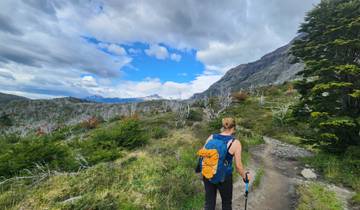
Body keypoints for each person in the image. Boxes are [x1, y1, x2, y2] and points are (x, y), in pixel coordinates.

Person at [202, 117, 247, 210]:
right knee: (226, 204)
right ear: (234, 128)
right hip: (224, 177)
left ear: (222, 127)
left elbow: (203, 153)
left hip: (209, 174)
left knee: (209, 203)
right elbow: (238, 166)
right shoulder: (235, 143)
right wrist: (244, 176)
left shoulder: (211, 137)